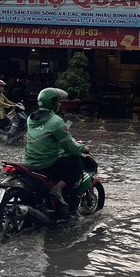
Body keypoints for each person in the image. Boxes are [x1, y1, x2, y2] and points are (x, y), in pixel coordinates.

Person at [24, 87, 88, 217]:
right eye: (58, 101)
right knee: (77, 164)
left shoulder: (30, 118)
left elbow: (45, 138)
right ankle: (57, 189)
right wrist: (83, 148)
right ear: (52, 103)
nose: (59, 104)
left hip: (29, 162)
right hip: (47, 163)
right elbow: (70, 146)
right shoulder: (56, 121)